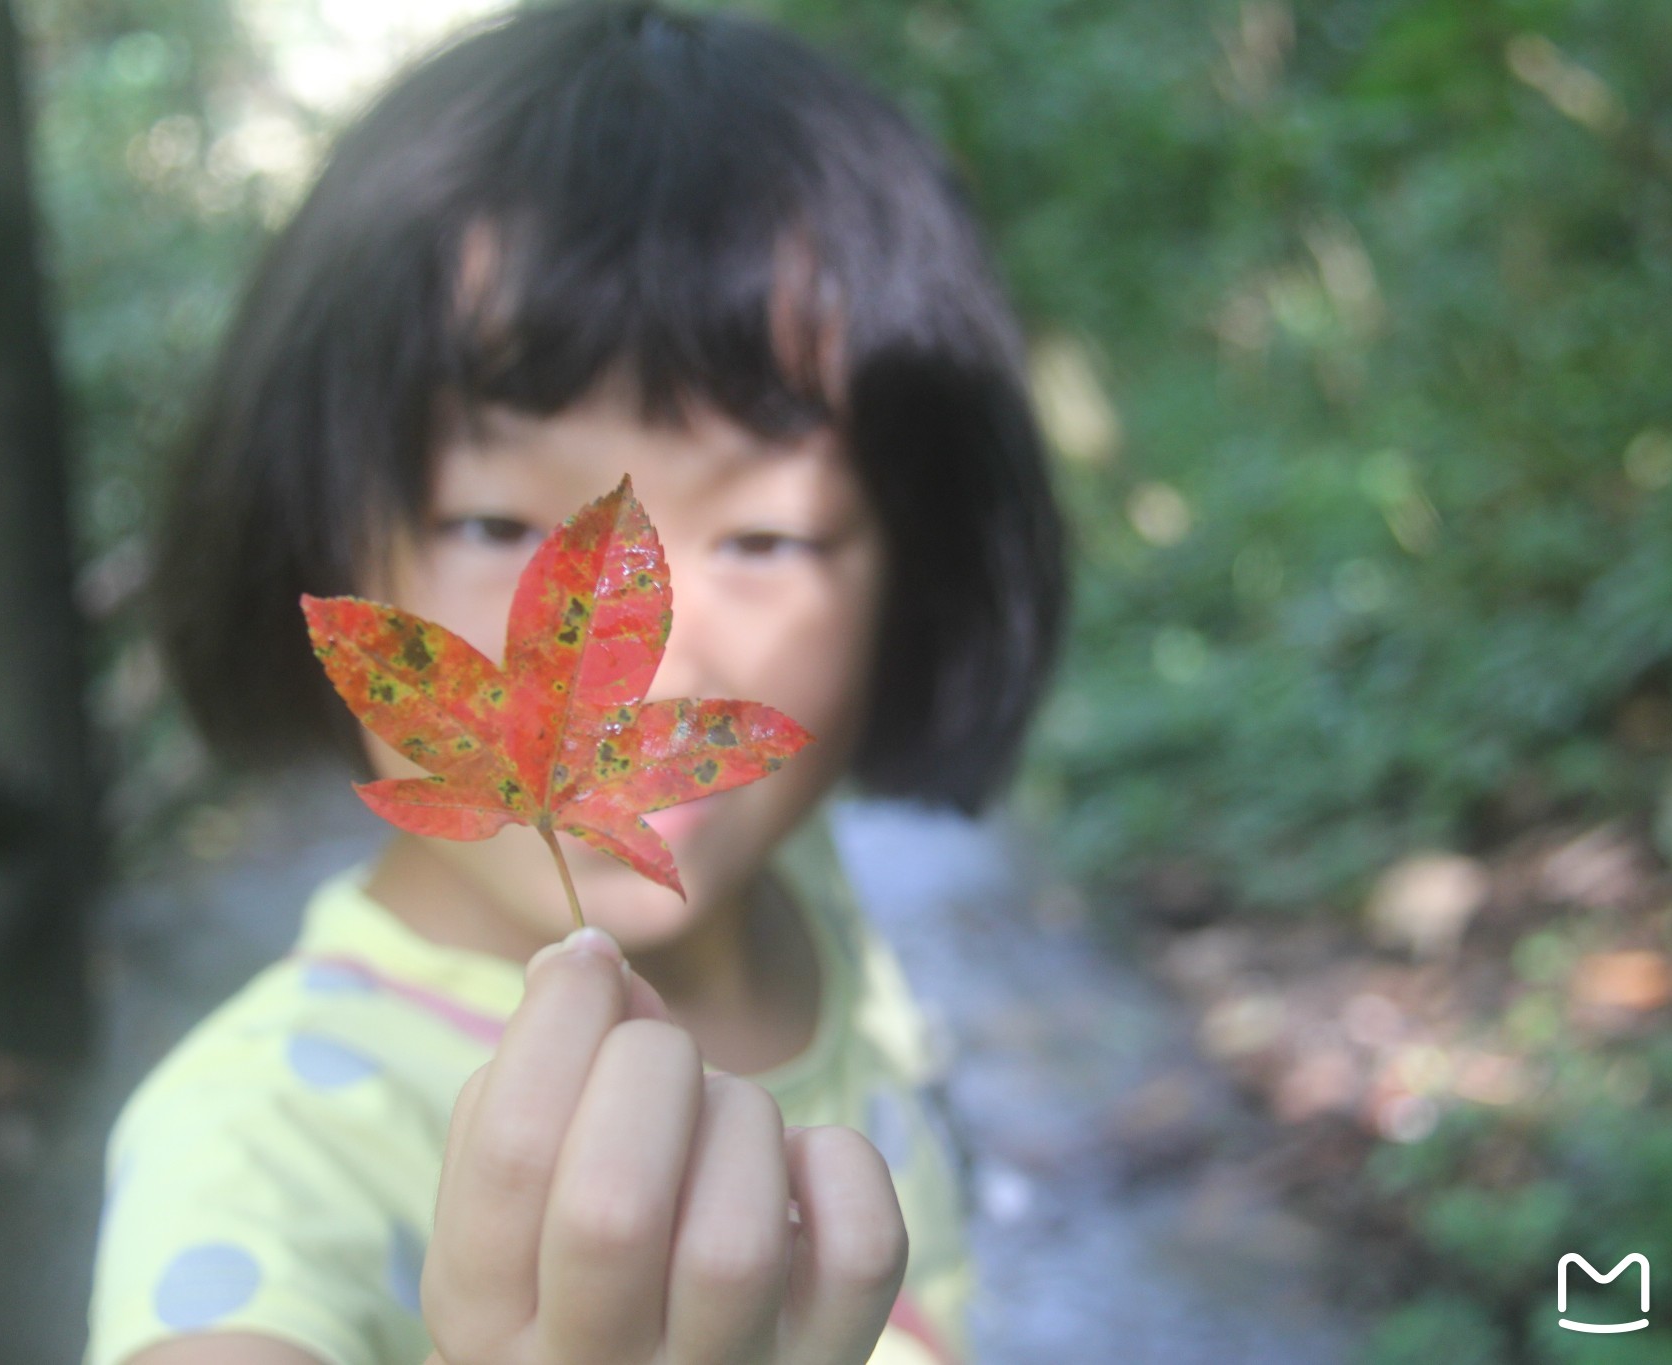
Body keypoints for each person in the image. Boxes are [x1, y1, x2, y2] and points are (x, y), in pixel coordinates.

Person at [84, 3, 1066, 1364]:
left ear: (923, 568)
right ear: (301, 524)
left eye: (769, 536)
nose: (642, 657)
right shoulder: (261, 1139)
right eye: (491, 521)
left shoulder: (792, 875)